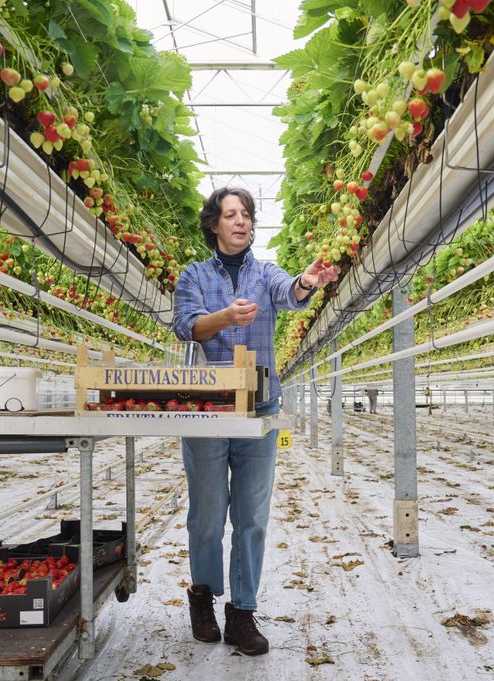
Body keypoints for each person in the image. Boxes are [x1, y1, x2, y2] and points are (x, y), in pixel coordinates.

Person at [172, 187, 340, 655]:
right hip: (207, 407)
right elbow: (187, 325)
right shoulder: (194, 275)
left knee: (252, 516)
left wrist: (307, 281)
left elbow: (290, 294)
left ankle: (242, 614)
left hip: (259, 405)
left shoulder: (265, 273)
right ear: (214, 224)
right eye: (231, 215)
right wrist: (224, 317)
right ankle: (202, 597)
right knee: (207, 514)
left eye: (246, 214)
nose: (240, 222)